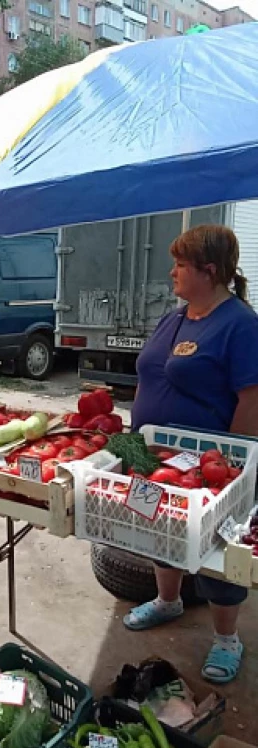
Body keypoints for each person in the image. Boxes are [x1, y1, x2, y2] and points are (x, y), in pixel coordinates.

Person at [124, 224, 258, 684]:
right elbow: (150, 374)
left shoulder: (239, 324)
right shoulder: (175, 317)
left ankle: (226, 639)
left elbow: (251, 399)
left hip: (206, 466)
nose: (172, 272)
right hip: (153, 458)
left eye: (181, 265)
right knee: (159, 530)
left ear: (210, 271)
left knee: (216, 548)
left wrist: (231, 464)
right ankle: (168, 601)